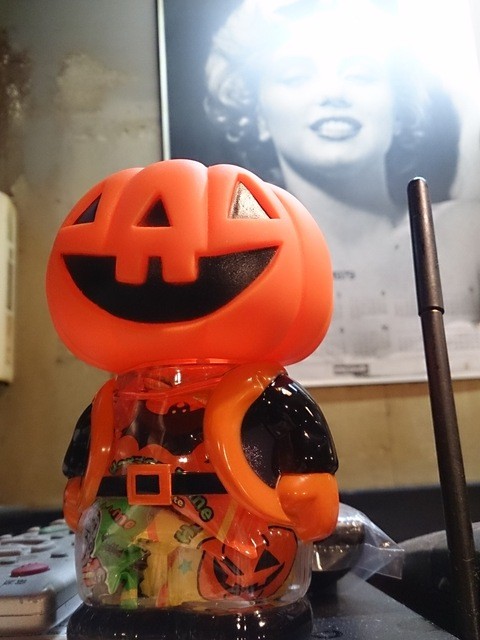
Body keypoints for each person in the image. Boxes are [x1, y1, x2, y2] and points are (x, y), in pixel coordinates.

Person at [204, 0, 480, 382]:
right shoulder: (226, 263)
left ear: (398, 108)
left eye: (360, 75)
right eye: (296, 77)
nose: (333, 93)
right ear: (256, 114)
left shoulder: (469, 232)